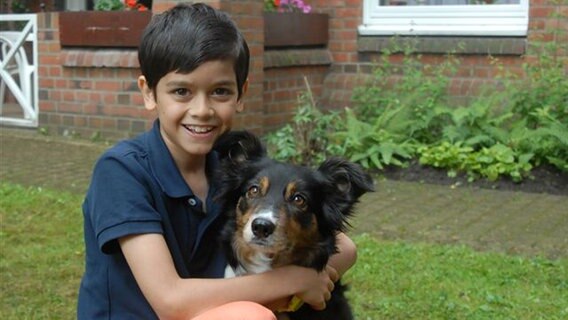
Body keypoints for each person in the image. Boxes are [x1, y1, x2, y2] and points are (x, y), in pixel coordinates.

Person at [77, 3, 357, 319]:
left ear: (241, 94)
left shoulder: (228, 169)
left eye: (220, 91)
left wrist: (314, 277)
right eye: (181, 91)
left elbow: (346, 247)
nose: (202, 110)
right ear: (149, 93)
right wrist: (294, 280)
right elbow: (171, 301)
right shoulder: (121, 171)